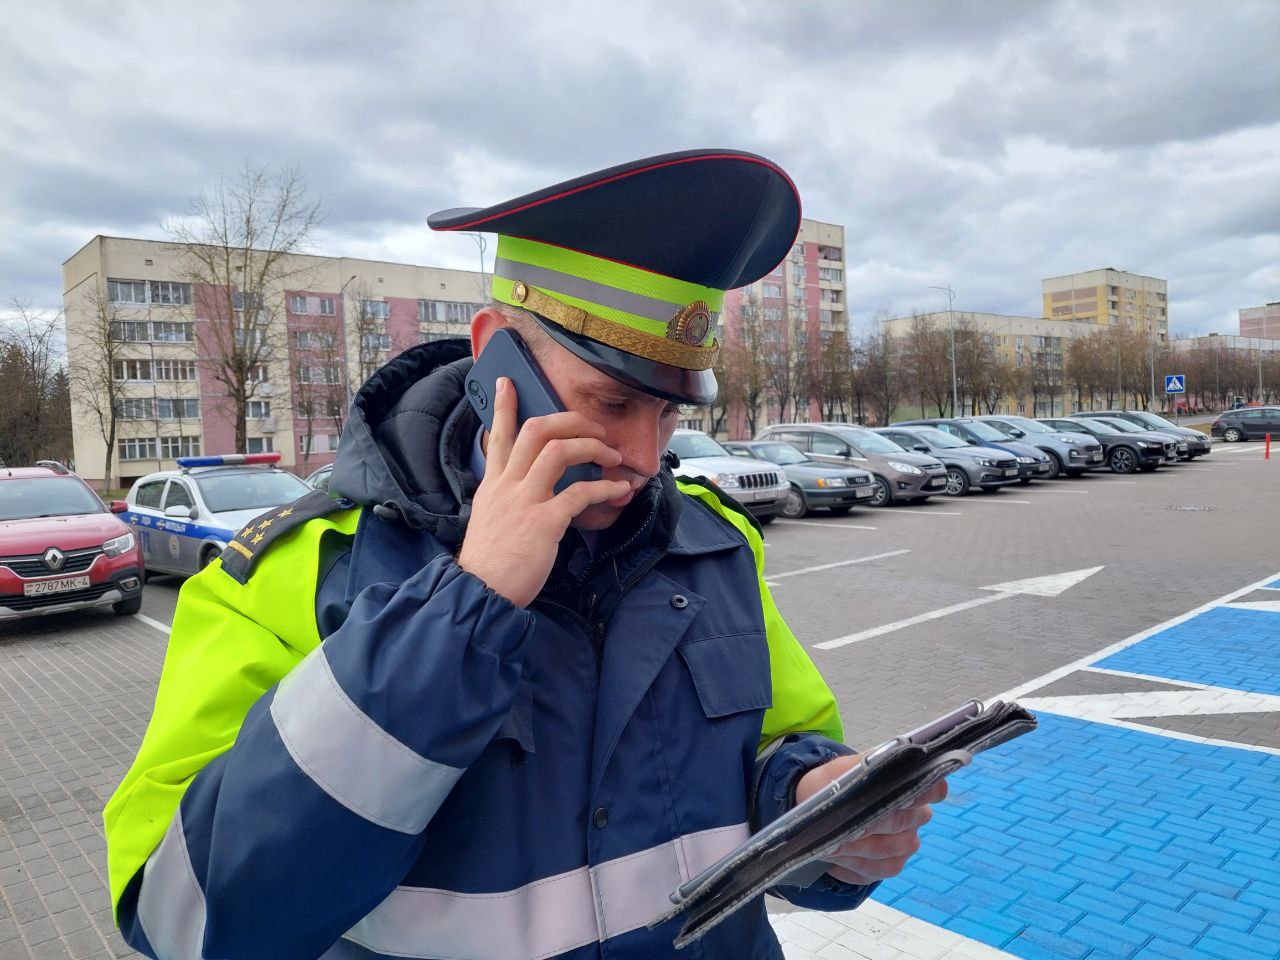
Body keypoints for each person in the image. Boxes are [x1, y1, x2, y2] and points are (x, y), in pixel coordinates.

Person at [104, 149, 948, 960]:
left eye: (667, 415)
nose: (647, 458)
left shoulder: (713, 546)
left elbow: (780, 753)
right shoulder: (296, 573)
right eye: (611, 401)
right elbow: (188, 918)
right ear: (493, 355)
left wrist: (819, 808)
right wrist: (463, 609)